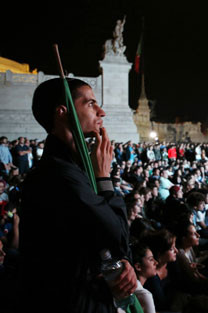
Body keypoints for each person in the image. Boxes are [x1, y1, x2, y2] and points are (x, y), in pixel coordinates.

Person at [18, 78, 137, 313]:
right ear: (62, 112)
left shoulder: (75, 168)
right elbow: (117, 236)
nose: (101, 111)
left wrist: (122, 264)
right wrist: (104, 179)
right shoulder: (58, 174)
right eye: (91, 104)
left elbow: (108, 245)